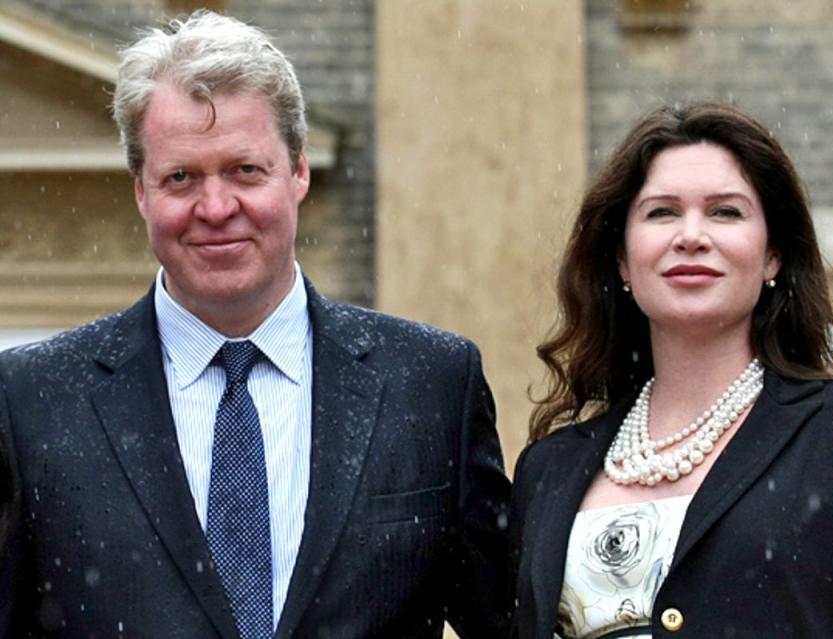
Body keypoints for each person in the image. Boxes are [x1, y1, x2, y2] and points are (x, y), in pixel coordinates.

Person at [0, 11, 510, 638]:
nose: (216, 208)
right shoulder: (29, 402)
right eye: (181, 177)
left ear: (297, 172)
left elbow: (513, 620)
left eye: (245, 170)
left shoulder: (431, 387)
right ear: (142, 193)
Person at [508, 101, 833, 638]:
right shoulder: (548, 468)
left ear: (773, 257)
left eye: (726, 212)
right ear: (623, 260)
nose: (691, 235)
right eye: (661, 212)